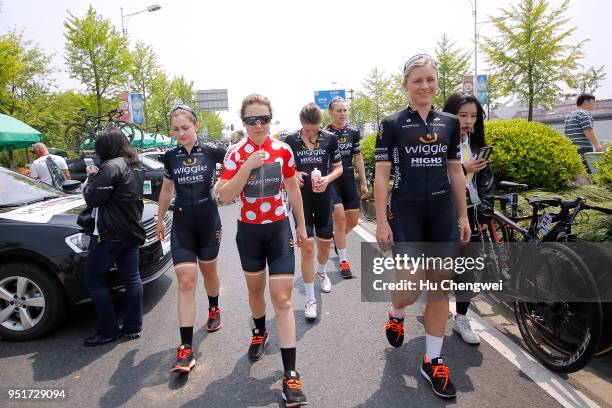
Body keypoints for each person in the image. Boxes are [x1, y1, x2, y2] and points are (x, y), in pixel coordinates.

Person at [375, 54, 470, 399]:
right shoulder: (392, 123)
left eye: (430, 80)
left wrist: (463, 215)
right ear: (406, 85)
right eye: (418, 80)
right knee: (411, 287)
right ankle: (396, 310)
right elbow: (382, 173)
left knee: (440, 287)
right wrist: (382, 219)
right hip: (407, 213)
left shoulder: (450, 122)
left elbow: (456, 169)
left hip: (442, 212)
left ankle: (432, 360)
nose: (425, 86)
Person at [217, 94, 308, 407]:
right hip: (250, 233)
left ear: (272, 119)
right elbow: (224, 195)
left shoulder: (283, 150)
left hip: (279, 229)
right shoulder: (234, 153)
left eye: (263, 119)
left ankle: (291, 375)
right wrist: (247, 166)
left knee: (282, 299)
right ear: (243, 123)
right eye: (251, 120)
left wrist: (300, 224)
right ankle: (259, 331)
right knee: (255, 292)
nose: (258, 125)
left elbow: (293, 185)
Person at [156, 104, 226, 373]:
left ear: (196, 126)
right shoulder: (170, 156)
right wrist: (161, 219)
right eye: (176, 129)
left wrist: (220, 185)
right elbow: (165, 190)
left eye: (185, 128)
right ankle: (185, 348)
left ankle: (214, 307)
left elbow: (236, 164)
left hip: (209, 222)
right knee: (186, 281)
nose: (181, 133)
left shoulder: (212, 150)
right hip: (182, 223)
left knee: (209, 271)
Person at [82, 129, 145, 346]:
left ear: (106, 146)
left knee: (94, 280)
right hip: (132, 230)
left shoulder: (110, 167)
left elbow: (93, 198)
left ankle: (108, 330)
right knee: (132, 279)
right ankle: (133, 327)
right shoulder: (135, 165)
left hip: (110, 234)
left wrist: (91, 176)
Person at [443, 92, 495, 346]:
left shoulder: (476, 145)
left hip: (472, 214)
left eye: (473, 116)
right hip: (443, 212)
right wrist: (463, 169)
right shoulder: (436, 140)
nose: (467, 121)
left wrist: (485, 209)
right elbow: (432, 178)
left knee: (470, 267)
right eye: (462, 115)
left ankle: (461, 316)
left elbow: (486, 181)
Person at [285, 103, 343, 319]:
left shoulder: (329, 138)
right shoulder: (290, 140)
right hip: (301, 201)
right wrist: (295, 174)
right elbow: (284, 169)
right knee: (307, 246)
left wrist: (327, 178)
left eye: (315, 129)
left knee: (325, 245)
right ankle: (310, 298)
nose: (312, 134)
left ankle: (321, 270)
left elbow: (339, 167)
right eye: (307, 130)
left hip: (324, 197)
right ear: (301, 125)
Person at [326, 97, 368, 278]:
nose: (343, 114)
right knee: (340, 217)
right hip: (331, 179)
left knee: (352, 220)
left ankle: (337, 237)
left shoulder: (353, 132)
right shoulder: (323, 133)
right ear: (330, 113)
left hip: (349, 178)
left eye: (345, 110)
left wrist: (364, 181)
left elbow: (358, 158)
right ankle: (344, 261)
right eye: (338, 110)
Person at [563, 93, 604, 174]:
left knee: (578, 173)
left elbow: (566, 133)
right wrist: (597, 145)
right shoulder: (584, 114)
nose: (594, 104)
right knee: (588, 172)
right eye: (593, 102)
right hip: (584, 149)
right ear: (585, 102)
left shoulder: (569, 115)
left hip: (572, 148)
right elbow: (588, 130)